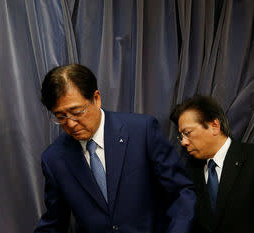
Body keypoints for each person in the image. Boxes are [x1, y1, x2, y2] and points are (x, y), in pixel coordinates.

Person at [34, 64, 196, 233]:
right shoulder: (54, 159)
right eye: (61, 117)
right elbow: (54, 221)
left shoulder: (142, 131)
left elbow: (181, 191)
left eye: (76, 112)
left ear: (96, 98)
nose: (71, 123)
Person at [170, 95, 254, 233]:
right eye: (181, 137)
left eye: (187, 133)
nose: (184, 142)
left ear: (214, 126)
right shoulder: (192, 172)